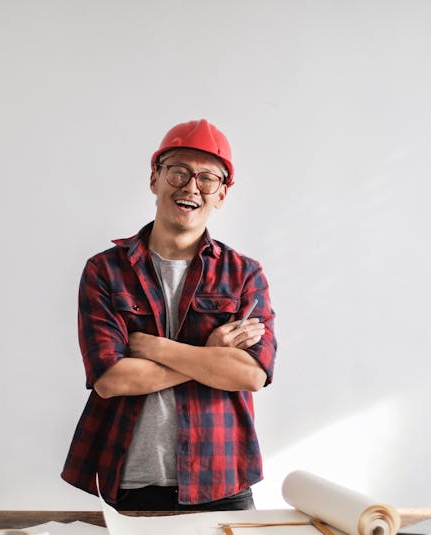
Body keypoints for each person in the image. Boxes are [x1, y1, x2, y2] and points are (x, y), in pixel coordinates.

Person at [61, 119, 277, 512]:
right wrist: (211, 355)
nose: (191, 187)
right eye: (179, 172)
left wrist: (154, 347)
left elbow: (251, 376)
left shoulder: (244, 274)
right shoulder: (106, 271)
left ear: (221, 194)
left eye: (207, 178)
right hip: (131, 484)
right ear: (155, 179)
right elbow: (111, 380)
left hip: (223, 482)